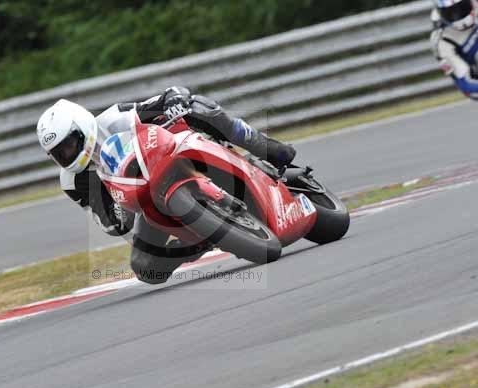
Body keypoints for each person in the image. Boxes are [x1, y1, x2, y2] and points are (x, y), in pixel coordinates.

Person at [36, 87, 296, 283]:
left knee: (198, 107)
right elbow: (111, 224)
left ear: (82, 127)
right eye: (59, 153)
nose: (67, 154)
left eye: (69, 144)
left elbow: (169, 96)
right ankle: (199, 241)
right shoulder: (74, 181)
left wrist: (174, 102)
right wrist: (116, 207)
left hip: (173, 153)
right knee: (145, 267)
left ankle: (267, 147)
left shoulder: (116, 118)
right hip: (146, 199)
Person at [431, 0, 478, 99]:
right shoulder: (442, 41)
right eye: (450, 12)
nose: (457, 15)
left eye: (462, 8)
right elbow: (465, 84)